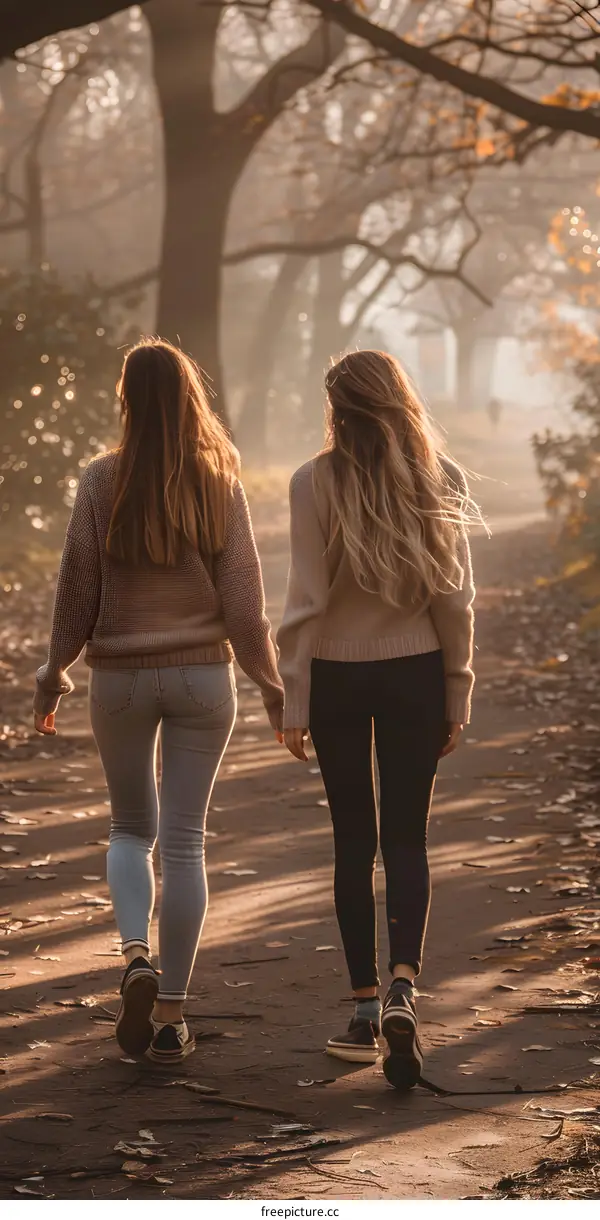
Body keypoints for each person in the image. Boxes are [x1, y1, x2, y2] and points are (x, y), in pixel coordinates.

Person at [33, 338, 283, 1065]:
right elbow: (244, 605)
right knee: (184, 841)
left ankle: (135, 954)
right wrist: (269, 685)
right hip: (204, 677)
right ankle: (171, 1013)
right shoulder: (220, 478)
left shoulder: (98, 481)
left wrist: (53, 672)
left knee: (129, 829)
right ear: (189, 399)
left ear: (126, 400)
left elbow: (76, 590)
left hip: (119, 679)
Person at [277, 350, 475, 1091]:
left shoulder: (312, 482)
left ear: (336, 407)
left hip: (334, 677)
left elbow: (305, 599)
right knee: (407, 838)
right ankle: (402, 989)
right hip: (417, 673)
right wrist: (457, 691)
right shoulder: (439, 477)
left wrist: (294, 699)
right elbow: (455, 601)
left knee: (353, 841)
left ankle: (363, 1011)